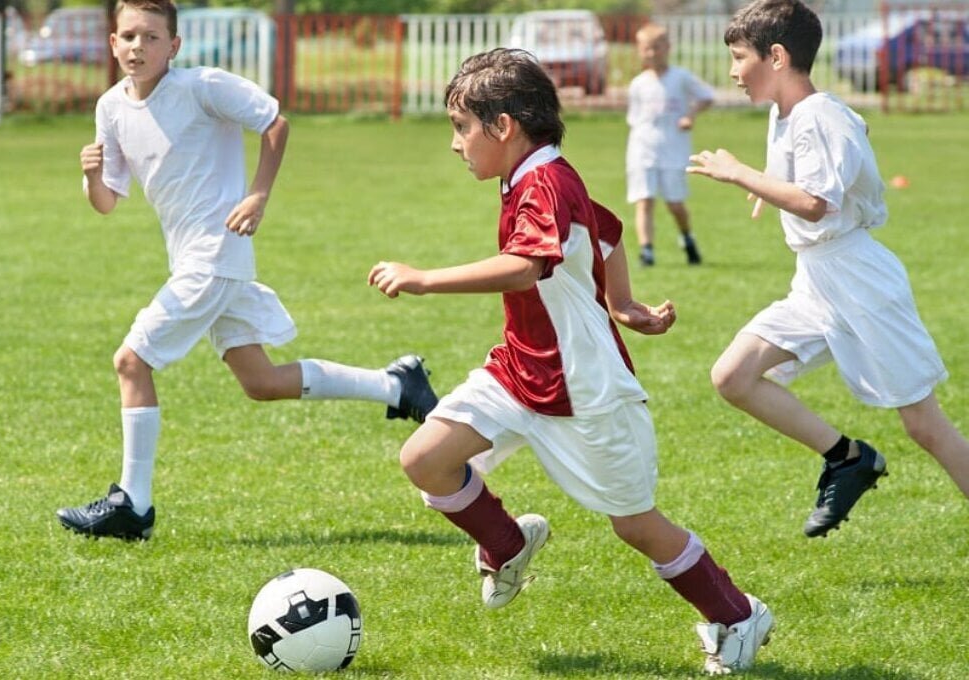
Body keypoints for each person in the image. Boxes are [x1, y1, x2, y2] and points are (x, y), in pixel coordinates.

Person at [368, 48, 772, 675]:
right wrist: (625, 302)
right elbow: (607, 233)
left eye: (461, 126)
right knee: (424, 458)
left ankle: (738, 616)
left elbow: (529, 264)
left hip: (582, 386)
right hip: (519, 368)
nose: (455, 144)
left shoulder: (546, 181)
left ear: (503, 126)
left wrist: (424, 279)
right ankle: (508, 544)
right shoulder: (533, 174)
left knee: (635, 524)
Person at [56, 0, 438, 541]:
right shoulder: (110, 108)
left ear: (174, 46)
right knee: (261, 382)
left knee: (130, 362)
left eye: (151, 37)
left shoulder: (202, 86)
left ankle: (132, 506)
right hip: (195, 259)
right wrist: (91, 178)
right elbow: (107, 202)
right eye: (127, 36)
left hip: (215, 255)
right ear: (112, 43)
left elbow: (274, 122)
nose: (138, 46)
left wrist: (257, 194)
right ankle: (397, 386)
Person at [687, 0, 969, 538]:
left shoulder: (821, 114)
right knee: (733, 376)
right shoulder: (787, 113)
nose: (731, 71)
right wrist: (768, 187)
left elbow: (816, 202)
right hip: (815, 279)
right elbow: (808, 174)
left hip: (859, 280)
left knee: (925, 426)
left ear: (776, 56)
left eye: (738, 57)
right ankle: (848, 458)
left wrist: (741, 175)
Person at [626, 22, 714, 267]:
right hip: (642, 150)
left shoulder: (681, 77)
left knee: (675, 204)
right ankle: (647, 250)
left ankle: (687, 237)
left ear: (667, 48)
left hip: (673, 149)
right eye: (646, 48)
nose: (652, 53)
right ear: (639, 50)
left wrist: (690, 116)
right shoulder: (638, 84)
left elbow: (707, 97)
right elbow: (634, 119)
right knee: (644, 200)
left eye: (657, 47)